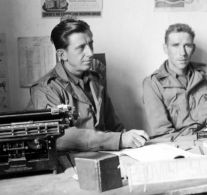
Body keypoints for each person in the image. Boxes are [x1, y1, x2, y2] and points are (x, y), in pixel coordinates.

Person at [27, 18, 149, 151]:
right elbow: (57, 136)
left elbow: (114, 127)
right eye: (81, 48)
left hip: (104, 156)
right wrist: (118, 140)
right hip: (67, 164)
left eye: (90, 45)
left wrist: (132, 142)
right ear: (62, 55)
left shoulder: (96, 81)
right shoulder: (46, 89)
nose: (90, 53)